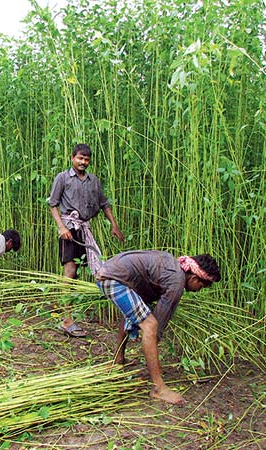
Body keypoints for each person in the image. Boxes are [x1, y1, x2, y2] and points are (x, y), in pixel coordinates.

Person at [95, 250, 221, 405]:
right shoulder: (176, 283)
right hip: (113, 280)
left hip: (111, 273)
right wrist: (152, 340)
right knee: (150, 325)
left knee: (134, 313)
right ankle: (158, 388)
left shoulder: (172, 265)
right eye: (200, 286)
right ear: (194, 278)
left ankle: (118, 360)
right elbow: (157, 325)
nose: (198, 290)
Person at [48, 143, 125, 337]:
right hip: (69, 229)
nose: (83, 162)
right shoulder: (62, 178)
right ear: (72, 158)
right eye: (80, 158)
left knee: (97, 269)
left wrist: (114, 225)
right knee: (70, 272)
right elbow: (53, 204)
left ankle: (85, 314)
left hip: (85, 229)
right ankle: (66, 320)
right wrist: (62, 227)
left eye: (87, 159)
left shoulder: (93, 181)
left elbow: (104, 204)